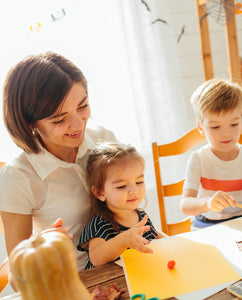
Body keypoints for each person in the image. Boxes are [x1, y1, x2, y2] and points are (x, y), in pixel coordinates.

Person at [0, 52, 117, 271]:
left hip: (123, 267)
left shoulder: (104, 140)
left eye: (82, 107)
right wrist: (39, 249)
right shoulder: (18, 177)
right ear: (29, 124)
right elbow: (19, 279)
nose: (77, 125)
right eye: (59, 119)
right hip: (70, 283)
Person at [180, 78, 242, 228]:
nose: (226, 133)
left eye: (234, 124)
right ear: (201, 128)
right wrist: (208, 204)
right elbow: (185, 205)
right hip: (208, 226)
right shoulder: (198, 159)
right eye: (215, 127)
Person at [77, 142, 165, 269]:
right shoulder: (100, 224)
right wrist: (123, 240)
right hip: (112, 282)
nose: (134, 190)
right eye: (122, 186)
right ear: (99, 192)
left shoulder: (140, 215)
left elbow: (157, 236)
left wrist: (178, 242)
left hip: (141, 274)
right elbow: (96, 258)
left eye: (139, 182)